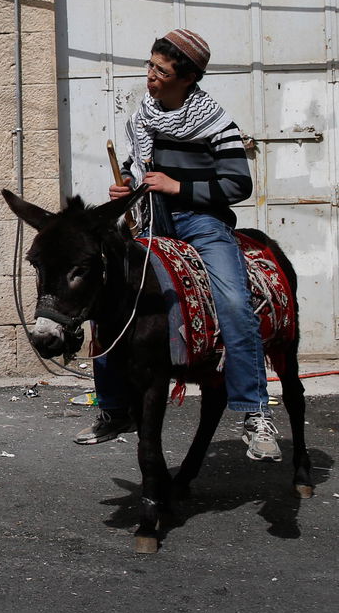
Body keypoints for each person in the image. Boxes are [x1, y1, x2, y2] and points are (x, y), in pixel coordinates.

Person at [76, 29, 280, 462]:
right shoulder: (142, 117)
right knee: (108, 297)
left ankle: (255, 412)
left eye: (161, 71)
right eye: (150, 65)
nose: (150, 77)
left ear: (187, 78)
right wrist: (127, 190)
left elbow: (238, 184)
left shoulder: (216, 123)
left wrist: (177, 186)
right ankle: (113, 408)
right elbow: (136, 172)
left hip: (202, 224)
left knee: (233, 299)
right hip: (151, 222)